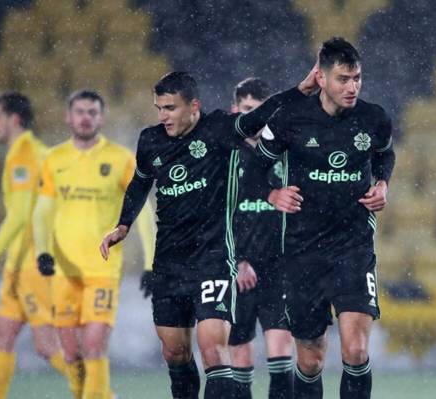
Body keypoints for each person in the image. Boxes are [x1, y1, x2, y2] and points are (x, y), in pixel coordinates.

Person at [99, 69, 316, 399]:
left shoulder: (218, 129)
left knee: (213, 349)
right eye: (159, 108)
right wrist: (124, 224)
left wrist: (301, 89)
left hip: (213, 259)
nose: (163, 116)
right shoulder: (150, 140)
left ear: (194, 106)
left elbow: (258, 116)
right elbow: (140, 182)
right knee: (175, 353)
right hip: (170, 262)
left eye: (170, 108)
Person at [254, 37, 395, 399]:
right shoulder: (290, 119)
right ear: (320, 78)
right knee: (311, 359)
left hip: (353, 248)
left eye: (357, 78)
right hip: (303, 252)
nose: (352, 87)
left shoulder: (374, 118)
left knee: (356, 350)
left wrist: (382, 184)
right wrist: (272, 193)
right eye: (343, 79)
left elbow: (384, 155)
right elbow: (252, 170)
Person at [33, 90, 155, 399]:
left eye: (92, 112)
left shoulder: (120, 159)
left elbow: (141, 210)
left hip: (102, 269)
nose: (86, 117)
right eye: (80, 111)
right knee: (71, 352)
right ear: (68, 117)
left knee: (93, 345)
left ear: (101, 118)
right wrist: (43, 251)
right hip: (64, 269)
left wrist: (151, 262)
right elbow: (42, 211)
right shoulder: (54, 159)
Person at [0, 92, 74, 399]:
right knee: (1, 337)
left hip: (32, 265)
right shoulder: (33, 153)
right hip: (18, 265)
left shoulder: (24, 155)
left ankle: (98, 392)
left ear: (14, 120)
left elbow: (21, 215)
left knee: (47, 346)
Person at [229, 78, 294, 399]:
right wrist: (237, 260)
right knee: (239, 352)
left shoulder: (284, 155)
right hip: (236, 270)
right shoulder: (226, 158)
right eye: (248, 111)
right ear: (235, 111)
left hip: (279, 268)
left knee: (281, 349)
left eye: (261, 112)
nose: (255, 120)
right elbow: (216, 218)